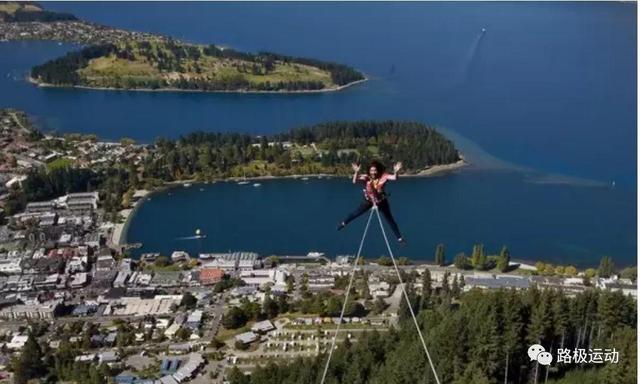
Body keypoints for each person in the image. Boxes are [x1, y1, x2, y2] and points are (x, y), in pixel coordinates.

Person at [337, 160, 404, 243]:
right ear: (369, 171)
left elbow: (395, 178)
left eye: (375, 170)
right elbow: (355, 181)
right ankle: (344, 223)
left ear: (378, 170)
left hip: (381, 201)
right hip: (369, 200)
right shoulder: (366, 177)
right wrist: (356, 172)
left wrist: (396, 172)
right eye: (372, 170)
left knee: (389, 219)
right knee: (356, 213)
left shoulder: (384, 176)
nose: (373, 172)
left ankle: (399, 238)